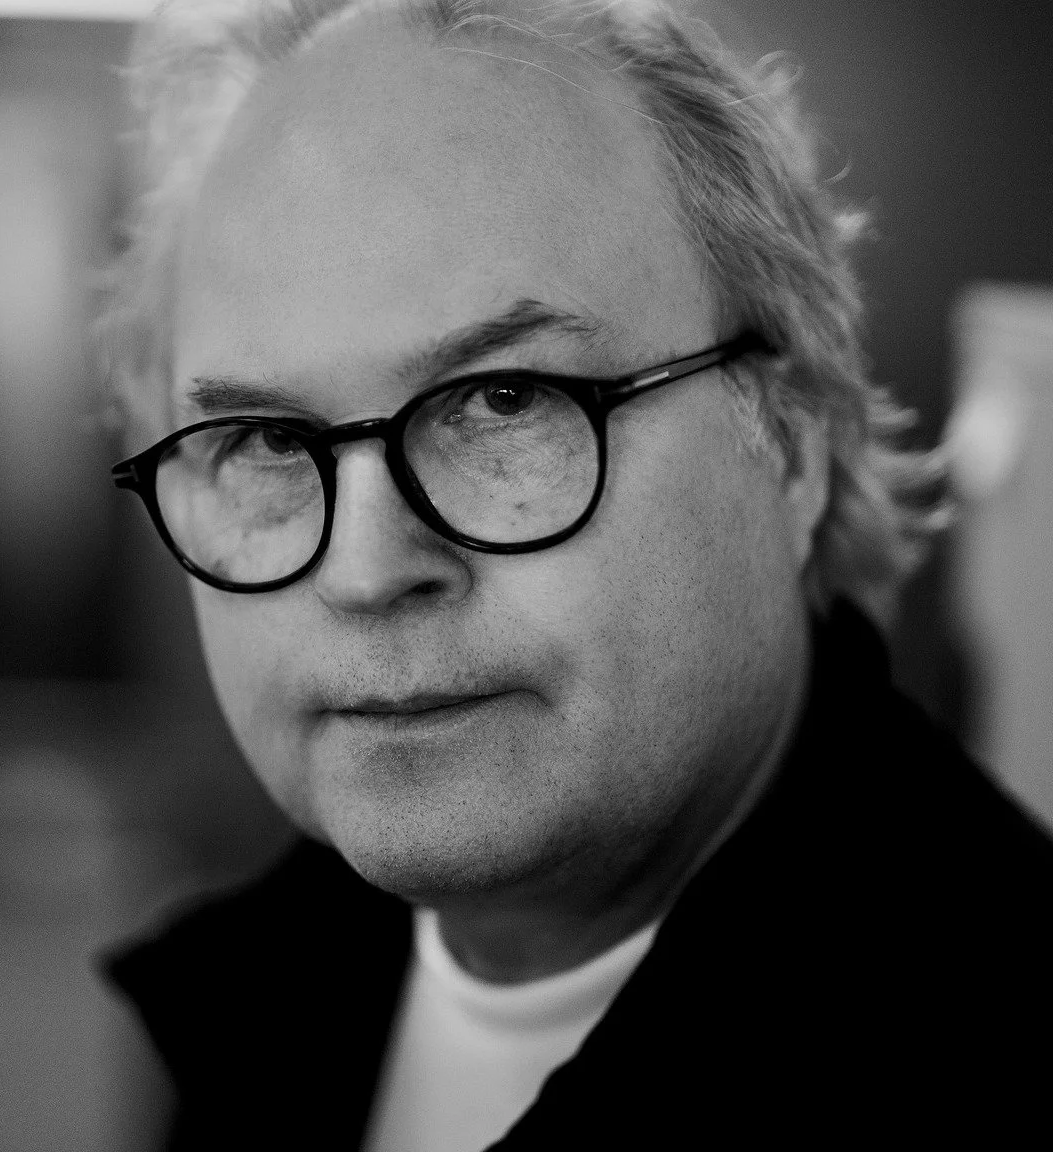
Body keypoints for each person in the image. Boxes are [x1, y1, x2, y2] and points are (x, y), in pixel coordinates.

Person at [99, 1, 1053, 1147]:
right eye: (266, 441)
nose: (363, 569)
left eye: (504, 400)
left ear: (791, 445)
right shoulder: (230, 1014)